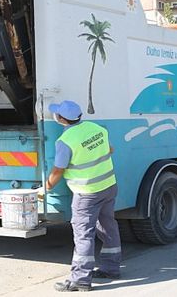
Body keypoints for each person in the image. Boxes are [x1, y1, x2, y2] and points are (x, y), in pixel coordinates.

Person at [45, 100, 121, 292]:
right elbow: (110, 150)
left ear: (61, 119)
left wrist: (45, 188)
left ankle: (80, 279)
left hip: (87, 193)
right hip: (109, 186)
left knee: (83, 234)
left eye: (57, 114)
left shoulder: (65, 141)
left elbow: (58, 170)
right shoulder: (97, 128)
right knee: (108, 226)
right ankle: (111, 268)